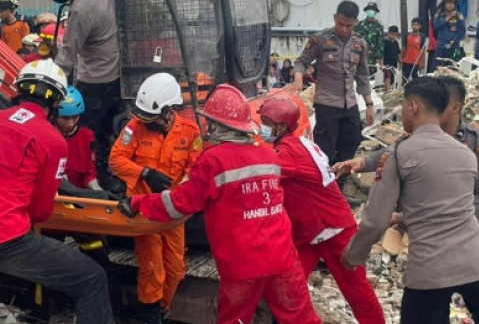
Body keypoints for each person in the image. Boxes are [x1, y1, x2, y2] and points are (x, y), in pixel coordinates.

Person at [118, 85, 322, 324]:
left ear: (216, 125)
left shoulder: (213, 160)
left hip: (243, 265)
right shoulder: (269, 154)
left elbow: (179, 204)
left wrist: (137, 203)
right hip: (283, 257)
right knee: (302, 319)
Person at [0, 59, 112, 323]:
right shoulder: (52, 141)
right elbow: (41, 209)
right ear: (56, 102)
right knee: (91, 278)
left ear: (18, 90)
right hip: (4, 239)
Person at [343, 77, 479, 324]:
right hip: (478, 264)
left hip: (429, 270)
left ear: (413, 107)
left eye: (402, 105)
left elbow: (376, 220)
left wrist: (354, 255)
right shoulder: (466, 153)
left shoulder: (400, 153)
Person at [259, 98, 385, 324]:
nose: (262, 127)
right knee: (287, 286)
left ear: (281, 126)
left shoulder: (289, 152)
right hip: (312, 230)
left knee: (356, 289)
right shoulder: (299, 143)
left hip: (332, 228)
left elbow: (259, 170)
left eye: (266, 122)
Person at [333, 76, 479, 231]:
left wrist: (414, 219)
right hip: (416, 231)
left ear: (455, 108)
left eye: (441, 103)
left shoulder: (477, 145)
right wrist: (361, 162)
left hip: (460, 232)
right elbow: (395, 153)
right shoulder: (418, 135)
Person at [109, 73, 201, 323]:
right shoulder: (134, 128)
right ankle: (150, 314)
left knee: (175, 268)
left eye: (151, 118)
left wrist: (181, 188)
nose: (145, 122)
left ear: (169, 112)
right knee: (151, 266)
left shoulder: (190, 133)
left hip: (172, 209)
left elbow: (195, 169)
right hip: (143, 209)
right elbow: (116, 160)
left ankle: (163, 307)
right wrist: (145, 173)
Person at [42, 0, 123, 193]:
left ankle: (89, 180)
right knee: (106, 126)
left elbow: (67, 55)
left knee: (81, 132)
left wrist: (49, 81)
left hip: (95, 78)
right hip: (114, 69)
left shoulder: (80, 11)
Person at [290, 0, 374, 169]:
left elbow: (363, 75)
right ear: (334, 17)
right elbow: (301, 62)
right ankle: (326, 184)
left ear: (356, 23)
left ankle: (340, 182)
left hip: (349, 104)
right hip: (327, 104)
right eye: (340, 23)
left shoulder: (359, 43)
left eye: (348, 25)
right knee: (325, 150)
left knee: (351, 143)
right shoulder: (320, 39)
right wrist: (298, 79)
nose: (343, 29)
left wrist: (369, 104)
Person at [55, 87, 102, 197]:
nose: (70, 123)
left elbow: (90, 173)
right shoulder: (48, 134)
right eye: (65, 118)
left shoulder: (87, 136)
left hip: (80, 194)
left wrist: (97, 189)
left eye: (75, 117)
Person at [433, 0, 466, 64]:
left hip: (455, 46)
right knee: (435, 67)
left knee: (455, 66)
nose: (451, 5)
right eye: (448, 3)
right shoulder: (439, 14)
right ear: (444, 4)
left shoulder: (459, 15)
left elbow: (462, 30)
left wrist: (455, 40)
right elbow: (436, 26)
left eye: (453, 3)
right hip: (441, 46)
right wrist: (448, 18)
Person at [354, 1, 385, 74]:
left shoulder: (379, 26)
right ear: (366, 11)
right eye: (369, 9)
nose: (370, 11)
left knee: (371, 79)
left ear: (375, 12)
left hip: (373, 58)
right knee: (358, 77)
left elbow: (380, 44)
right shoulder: (359, 25)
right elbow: (354, 39)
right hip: (359, 56)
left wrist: (379, 57)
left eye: (373, 9)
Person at [382, 25, 401, 92]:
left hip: (394, 63)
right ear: (388, 33)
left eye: (395, 35)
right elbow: (381, 53)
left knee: (392, 78)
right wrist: (381, 64)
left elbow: (398, 53)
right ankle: (387, 92)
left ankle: (387, 89)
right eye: (392, 34)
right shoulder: (384, 42)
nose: (393, 36)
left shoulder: (396, 43)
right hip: (386, 63)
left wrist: (400, 62)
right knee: (388, 76)